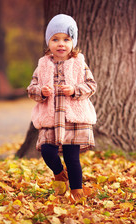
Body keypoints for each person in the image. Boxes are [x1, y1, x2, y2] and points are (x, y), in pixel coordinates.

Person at [27, 14, 97, 204]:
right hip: (51, 119)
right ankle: (59, 173)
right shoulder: (42, 65)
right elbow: (31, 89)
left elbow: (91, 85)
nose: (61, 44)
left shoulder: (78, 63)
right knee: (47, 151)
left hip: (72, 119)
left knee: (72, 158)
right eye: (55, 39)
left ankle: (77, 191)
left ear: (72, 42)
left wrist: (75, 90)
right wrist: (41, 91)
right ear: (48, 42)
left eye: (66, 39)